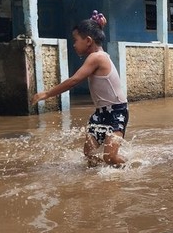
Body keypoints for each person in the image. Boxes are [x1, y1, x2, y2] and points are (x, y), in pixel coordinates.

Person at [31, 11, 128, 167]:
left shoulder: (97, 57)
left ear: (88, 40)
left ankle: (130, 167)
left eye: (75, 40)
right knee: (89, 154)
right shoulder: (97, 56)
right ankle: (98, 181)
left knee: (109, 158)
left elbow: (74, 80)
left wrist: (47, 94)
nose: (74, 44)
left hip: (117, 112)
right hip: (101, 113)